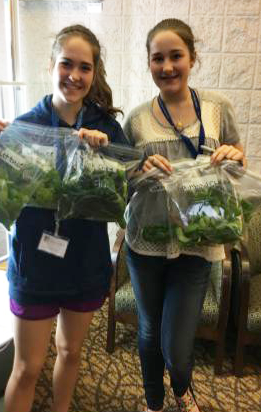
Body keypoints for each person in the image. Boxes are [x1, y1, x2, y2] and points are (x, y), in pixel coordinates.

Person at [0, 25, 128, 412]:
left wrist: (106, 155)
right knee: (26, 369)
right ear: (51, 65)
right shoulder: (26, 125)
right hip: (35, 264)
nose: (74, 75)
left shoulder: (106, 127)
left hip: (84, 263)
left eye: (84, 67)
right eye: (66, 64)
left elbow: (126, 190)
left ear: (94, 73)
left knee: (70, 353)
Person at [123, 18, 245, 412]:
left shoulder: (216, 108)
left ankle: (180, 387)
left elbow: (237, 166)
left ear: (193, 57)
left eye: (176, 56)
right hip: (146, 241)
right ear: (149, 63)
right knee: (147, 330)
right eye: (158, 58)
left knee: (176, 343)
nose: (167, 66)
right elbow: (122, 183)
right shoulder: (137, 119)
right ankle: (156, 402)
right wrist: (139, 171)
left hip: (197, 241)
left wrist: (236, 158)